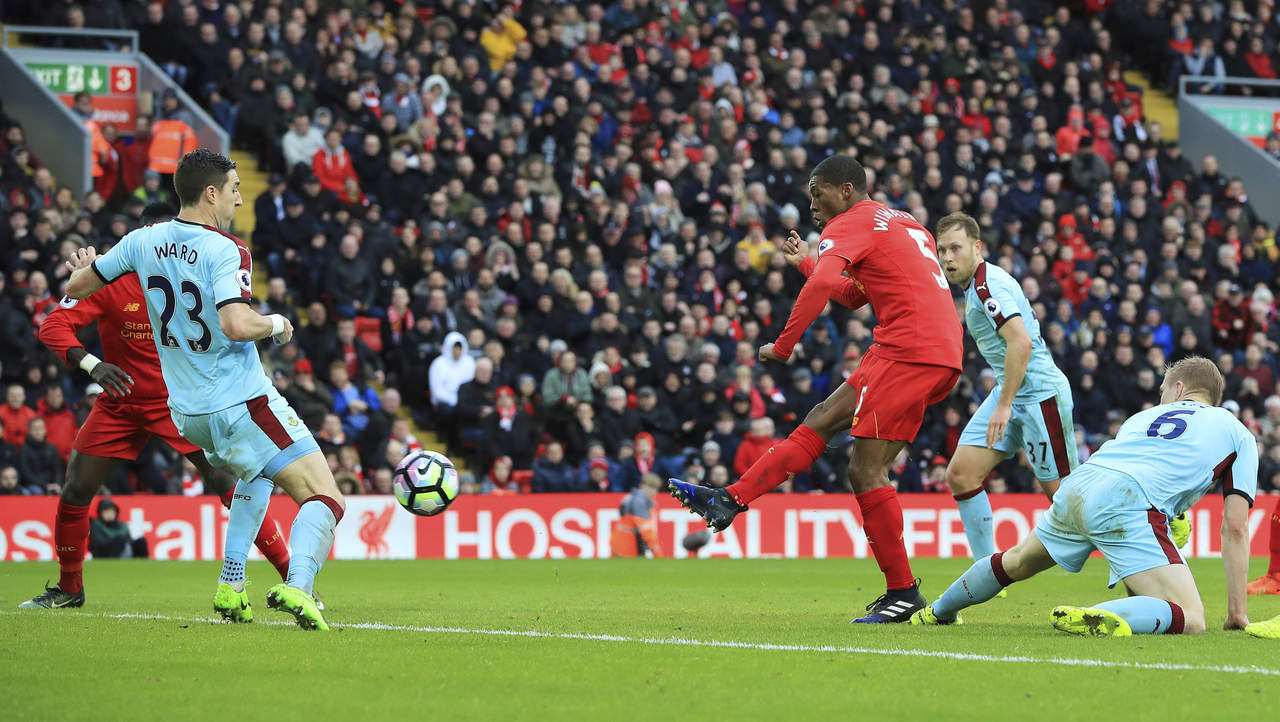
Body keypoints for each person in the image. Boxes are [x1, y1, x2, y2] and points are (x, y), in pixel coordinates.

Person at [669, 155, 962, 623]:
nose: (812, 205)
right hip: (925, 347)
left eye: (816, 193)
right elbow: (855, 294)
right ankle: (730, 498)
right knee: (821, 419)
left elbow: (828, 283)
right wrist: (807, 262)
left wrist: (784, 346)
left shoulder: (850, 222)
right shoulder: (904, 222)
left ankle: (903, 592)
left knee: (866, 470)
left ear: (845, 190)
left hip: (909, 350)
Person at [63, 149, 345, 631]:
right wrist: (277, 323)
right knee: (327, 495)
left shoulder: (141, 240)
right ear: (211, 193)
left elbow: (76, 286)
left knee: (255, 477)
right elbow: (236, 324)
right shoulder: (228, 249)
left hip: (187, 412)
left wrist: (87, 263)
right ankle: (299, 585)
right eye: (235, 189)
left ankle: (231, 584)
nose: (239, 199)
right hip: (240, 400)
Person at [20, 223, 292, 610]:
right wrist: (94, 365)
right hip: (121, 401)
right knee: (75, 490)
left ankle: (294, 579)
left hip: (178, 401)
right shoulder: (111, 281)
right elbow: (53, 325)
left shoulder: (196, 277)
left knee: (228, 483)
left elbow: (230, 325)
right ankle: (69, 588)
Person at [911, 358, 1255, 637]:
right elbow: (1235, 527)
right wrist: (1236, 614)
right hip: (1130, 499)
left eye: (1162, 390)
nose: (1161, 397)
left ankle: (937, 611)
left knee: (1015, 561)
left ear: (1178, 389)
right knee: (1191, 617)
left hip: (1082, 483)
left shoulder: (1141, 418)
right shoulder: (1237, 431)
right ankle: (1094, 615)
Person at [934, 211, 1084, 565]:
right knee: (961, 474)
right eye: (942, 250)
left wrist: (1004, 405)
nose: (948, 258)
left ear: (977, 247)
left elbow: (1020, 342)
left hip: (1039, 397)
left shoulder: (988, 289)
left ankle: (1151, 533)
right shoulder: (978, 285)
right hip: (1012, 391)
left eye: (956, 248)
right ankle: (987, 575)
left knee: (1066, 502)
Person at [610, 473, 665, 557]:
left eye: (655, 489)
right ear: (642, 486)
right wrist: (658, 554)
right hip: (625, 545)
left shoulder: (634, 497)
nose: (653, 492)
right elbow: (646, 530)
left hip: (624, 542)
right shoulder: (639, 502)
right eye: (651, 488)